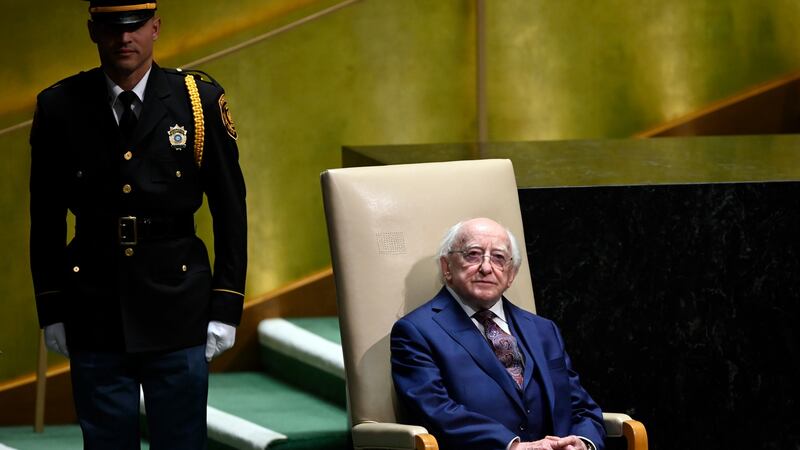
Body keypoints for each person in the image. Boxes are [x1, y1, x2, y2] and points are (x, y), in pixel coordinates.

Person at [29, 1, 247, 448]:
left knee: (181, 441)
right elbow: (46, 217)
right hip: (94, 304)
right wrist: (51, 306)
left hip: (179, 305)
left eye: (135, 26)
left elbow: (230, 209)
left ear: (156, 28)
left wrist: (226, 304)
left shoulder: (197, 102)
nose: (124, 38)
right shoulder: (60, 106)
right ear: (93, 31)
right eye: (112, 27)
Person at [391, 218, 604, 450]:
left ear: (511, 274)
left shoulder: (544, 330)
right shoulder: (416, 331)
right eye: (472, 254)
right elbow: (436, 410)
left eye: (499, 258)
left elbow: (581, 407)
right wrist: (514, 447)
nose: (486, 267)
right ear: (447, 267)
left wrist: (583, 443)